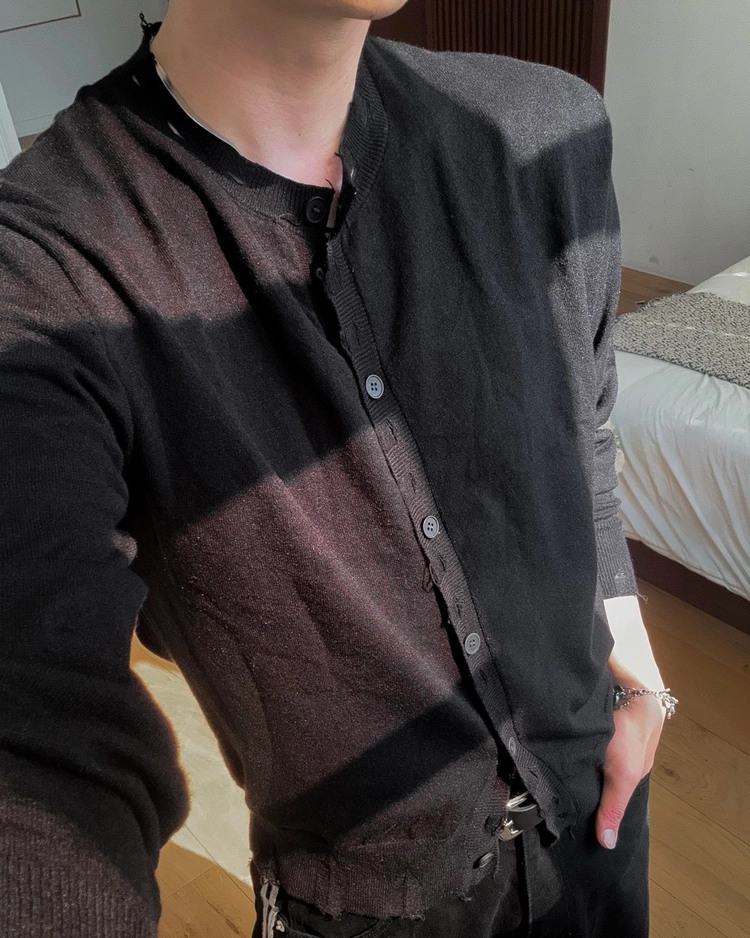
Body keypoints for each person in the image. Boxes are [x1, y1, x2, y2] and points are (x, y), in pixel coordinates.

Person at [0, 1, 675, 935]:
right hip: (362, 908)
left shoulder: (547, 132)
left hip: (600, 822)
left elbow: (584, 426)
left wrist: (636, 671)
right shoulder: (42, 271)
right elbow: (37, 743)